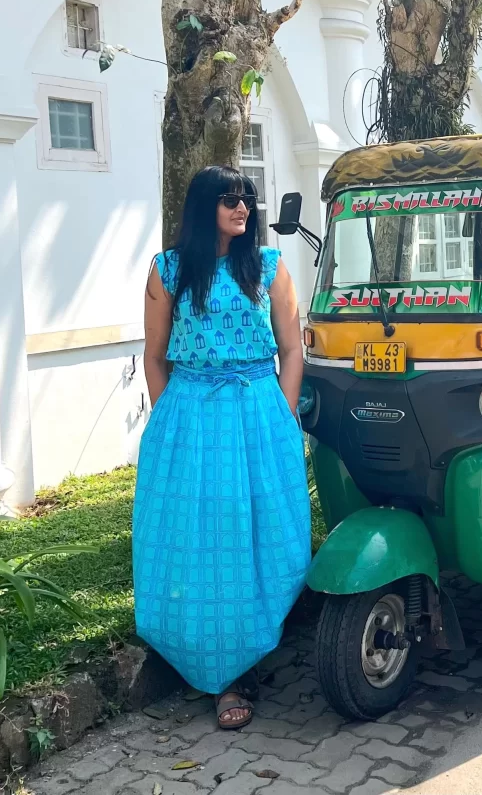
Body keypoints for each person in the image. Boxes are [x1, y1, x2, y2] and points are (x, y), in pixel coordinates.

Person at [133, 165, 311, 730]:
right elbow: (155, 356)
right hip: (192, 416)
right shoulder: (168, 271)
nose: (243, 208)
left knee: (261, 533)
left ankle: (254, 647)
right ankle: (219, 673)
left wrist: (282, 413)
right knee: (203, 538)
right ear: (201, 205)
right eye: (230, 199)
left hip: (259, 411)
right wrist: (173, 420)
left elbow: (293, 350)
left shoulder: (269, 267)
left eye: (248, 199)